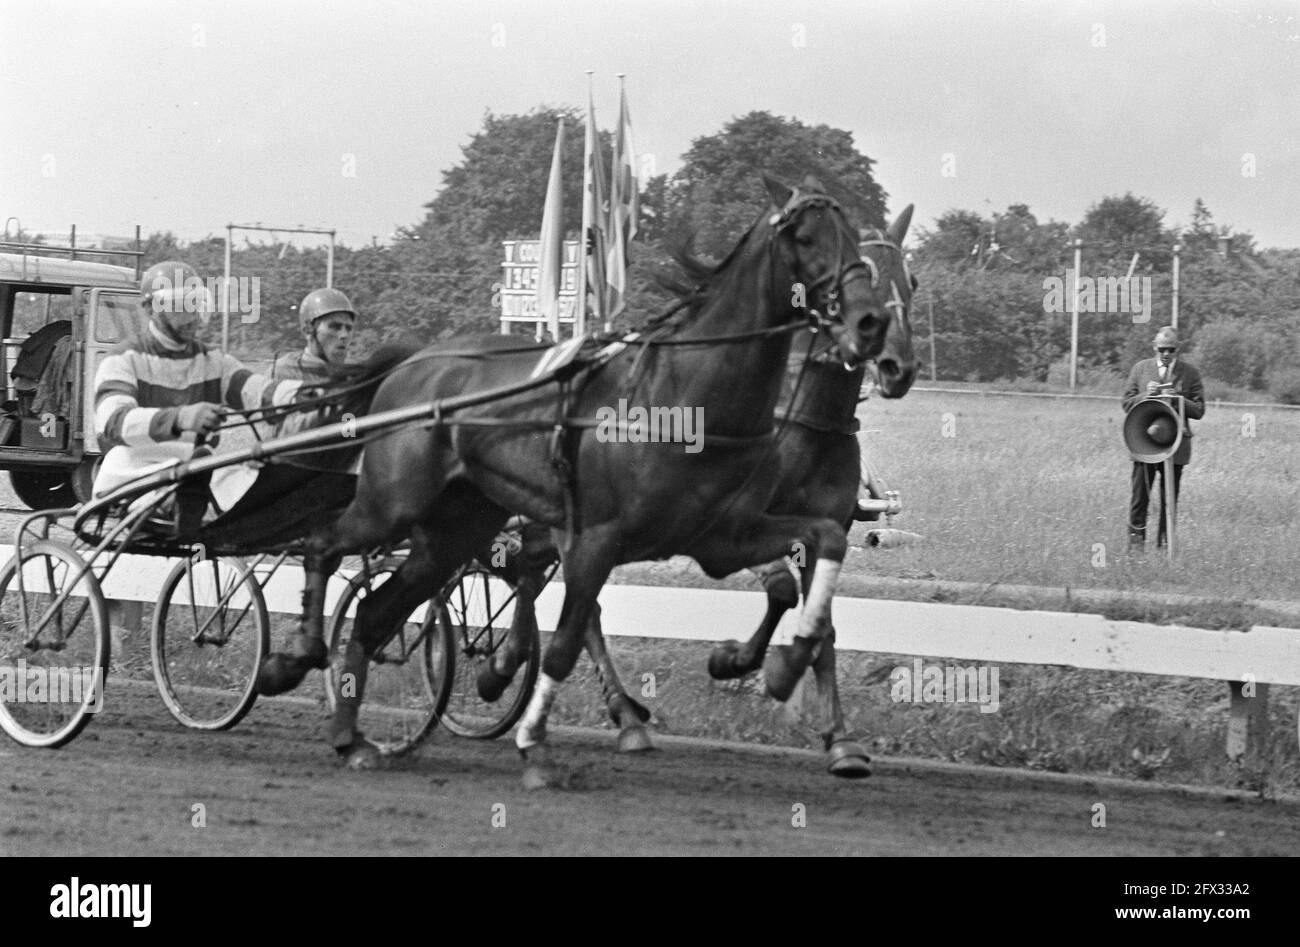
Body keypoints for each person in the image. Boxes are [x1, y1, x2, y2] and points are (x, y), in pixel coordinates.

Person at [93, 261, 304, 532]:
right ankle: (177, 503)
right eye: (181, 306)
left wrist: (301, 394)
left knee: (247, 471)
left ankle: (195, 504)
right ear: (151, 308)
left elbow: (256, 389)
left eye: (196, 303)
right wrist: (181, 418)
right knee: (135, 461)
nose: (192, 316)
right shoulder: (122, 359)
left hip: (197, 466)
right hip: (137, 466)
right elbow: (113, 423)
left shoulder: (211, 360)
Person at [1121, 325, 1205, 547]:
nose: (1166, 354)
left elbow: (1199, 410)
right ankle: (1135, 547)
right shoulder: (1140, 369)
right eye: (1162, 349)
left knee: (1169, 501)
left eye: (1171, 350)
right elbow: (1126, 403)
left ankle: (1165, 547)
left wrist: (1177, 399)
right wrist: (1144, 396)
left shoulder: (1190, 373)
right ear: (1154, 347)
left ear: (1178, 349)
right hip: (1144, 444)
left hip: (1175, 447)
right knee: (1139, 499)